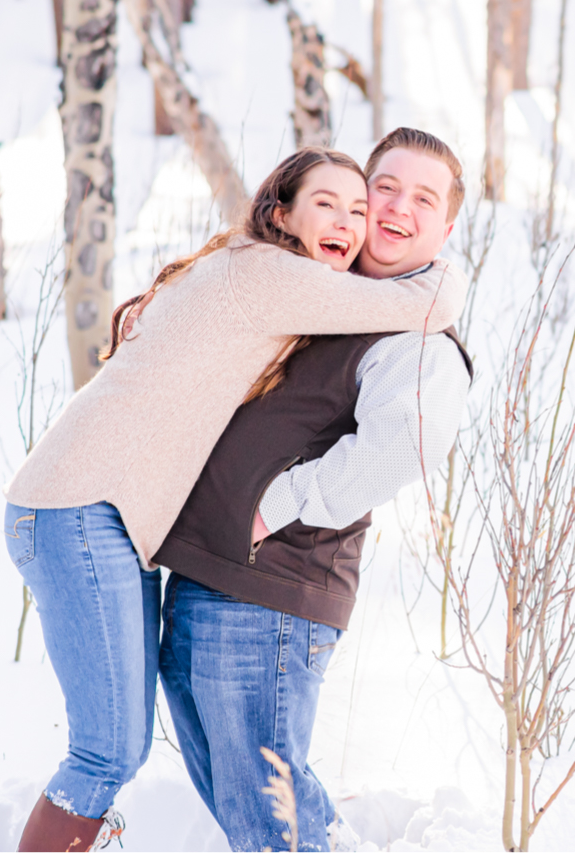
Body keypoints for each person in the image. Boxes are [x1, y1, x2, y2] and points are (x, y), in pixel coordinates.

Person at [4, 148, 466, 852]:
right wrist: (447, 278)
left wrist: (274, 504)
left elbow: (402, 436)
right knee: (113, 751)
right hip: (82, 507)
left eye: (359, 208)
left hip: (124, 526)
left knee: (153, 764)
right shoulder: (276, 276)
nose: (356, 219)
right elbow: (418, 299)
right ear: (280, 213)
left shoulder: (301, 290)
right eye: (337, 202)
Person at [154, 128, 471, 852]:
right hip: (213, 574)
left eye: (424, 199)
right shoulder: (330, 300)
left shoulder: (416, 339)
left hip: (270, 596)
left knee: (267, 819)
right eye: (384, 187)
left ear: (446, 228)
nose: (396, 208)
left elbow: (402, 445)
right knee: (251, 802)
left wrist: (273, 506)